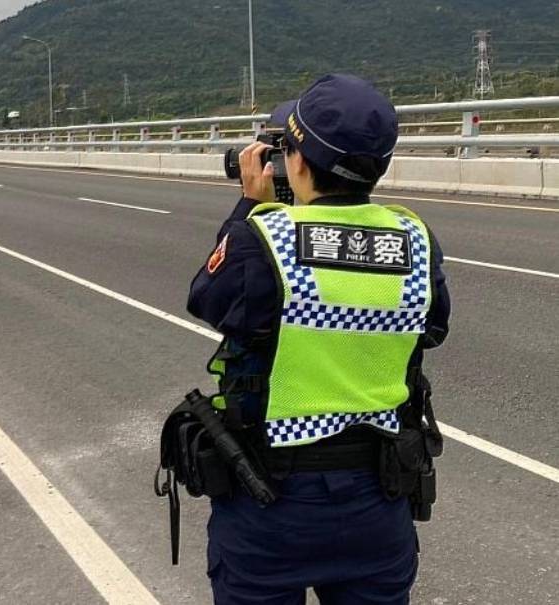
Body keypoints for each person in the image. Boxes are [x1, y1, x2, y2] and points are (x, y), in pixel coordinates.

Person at [187, 74, 451, 604]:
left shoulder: (266, 236)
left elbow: (209, 300)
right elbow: (434, 327)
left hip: (273, 501)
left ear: (298, 163)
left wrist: (248, 207)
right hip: (379, 498)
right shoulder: (415, 239)